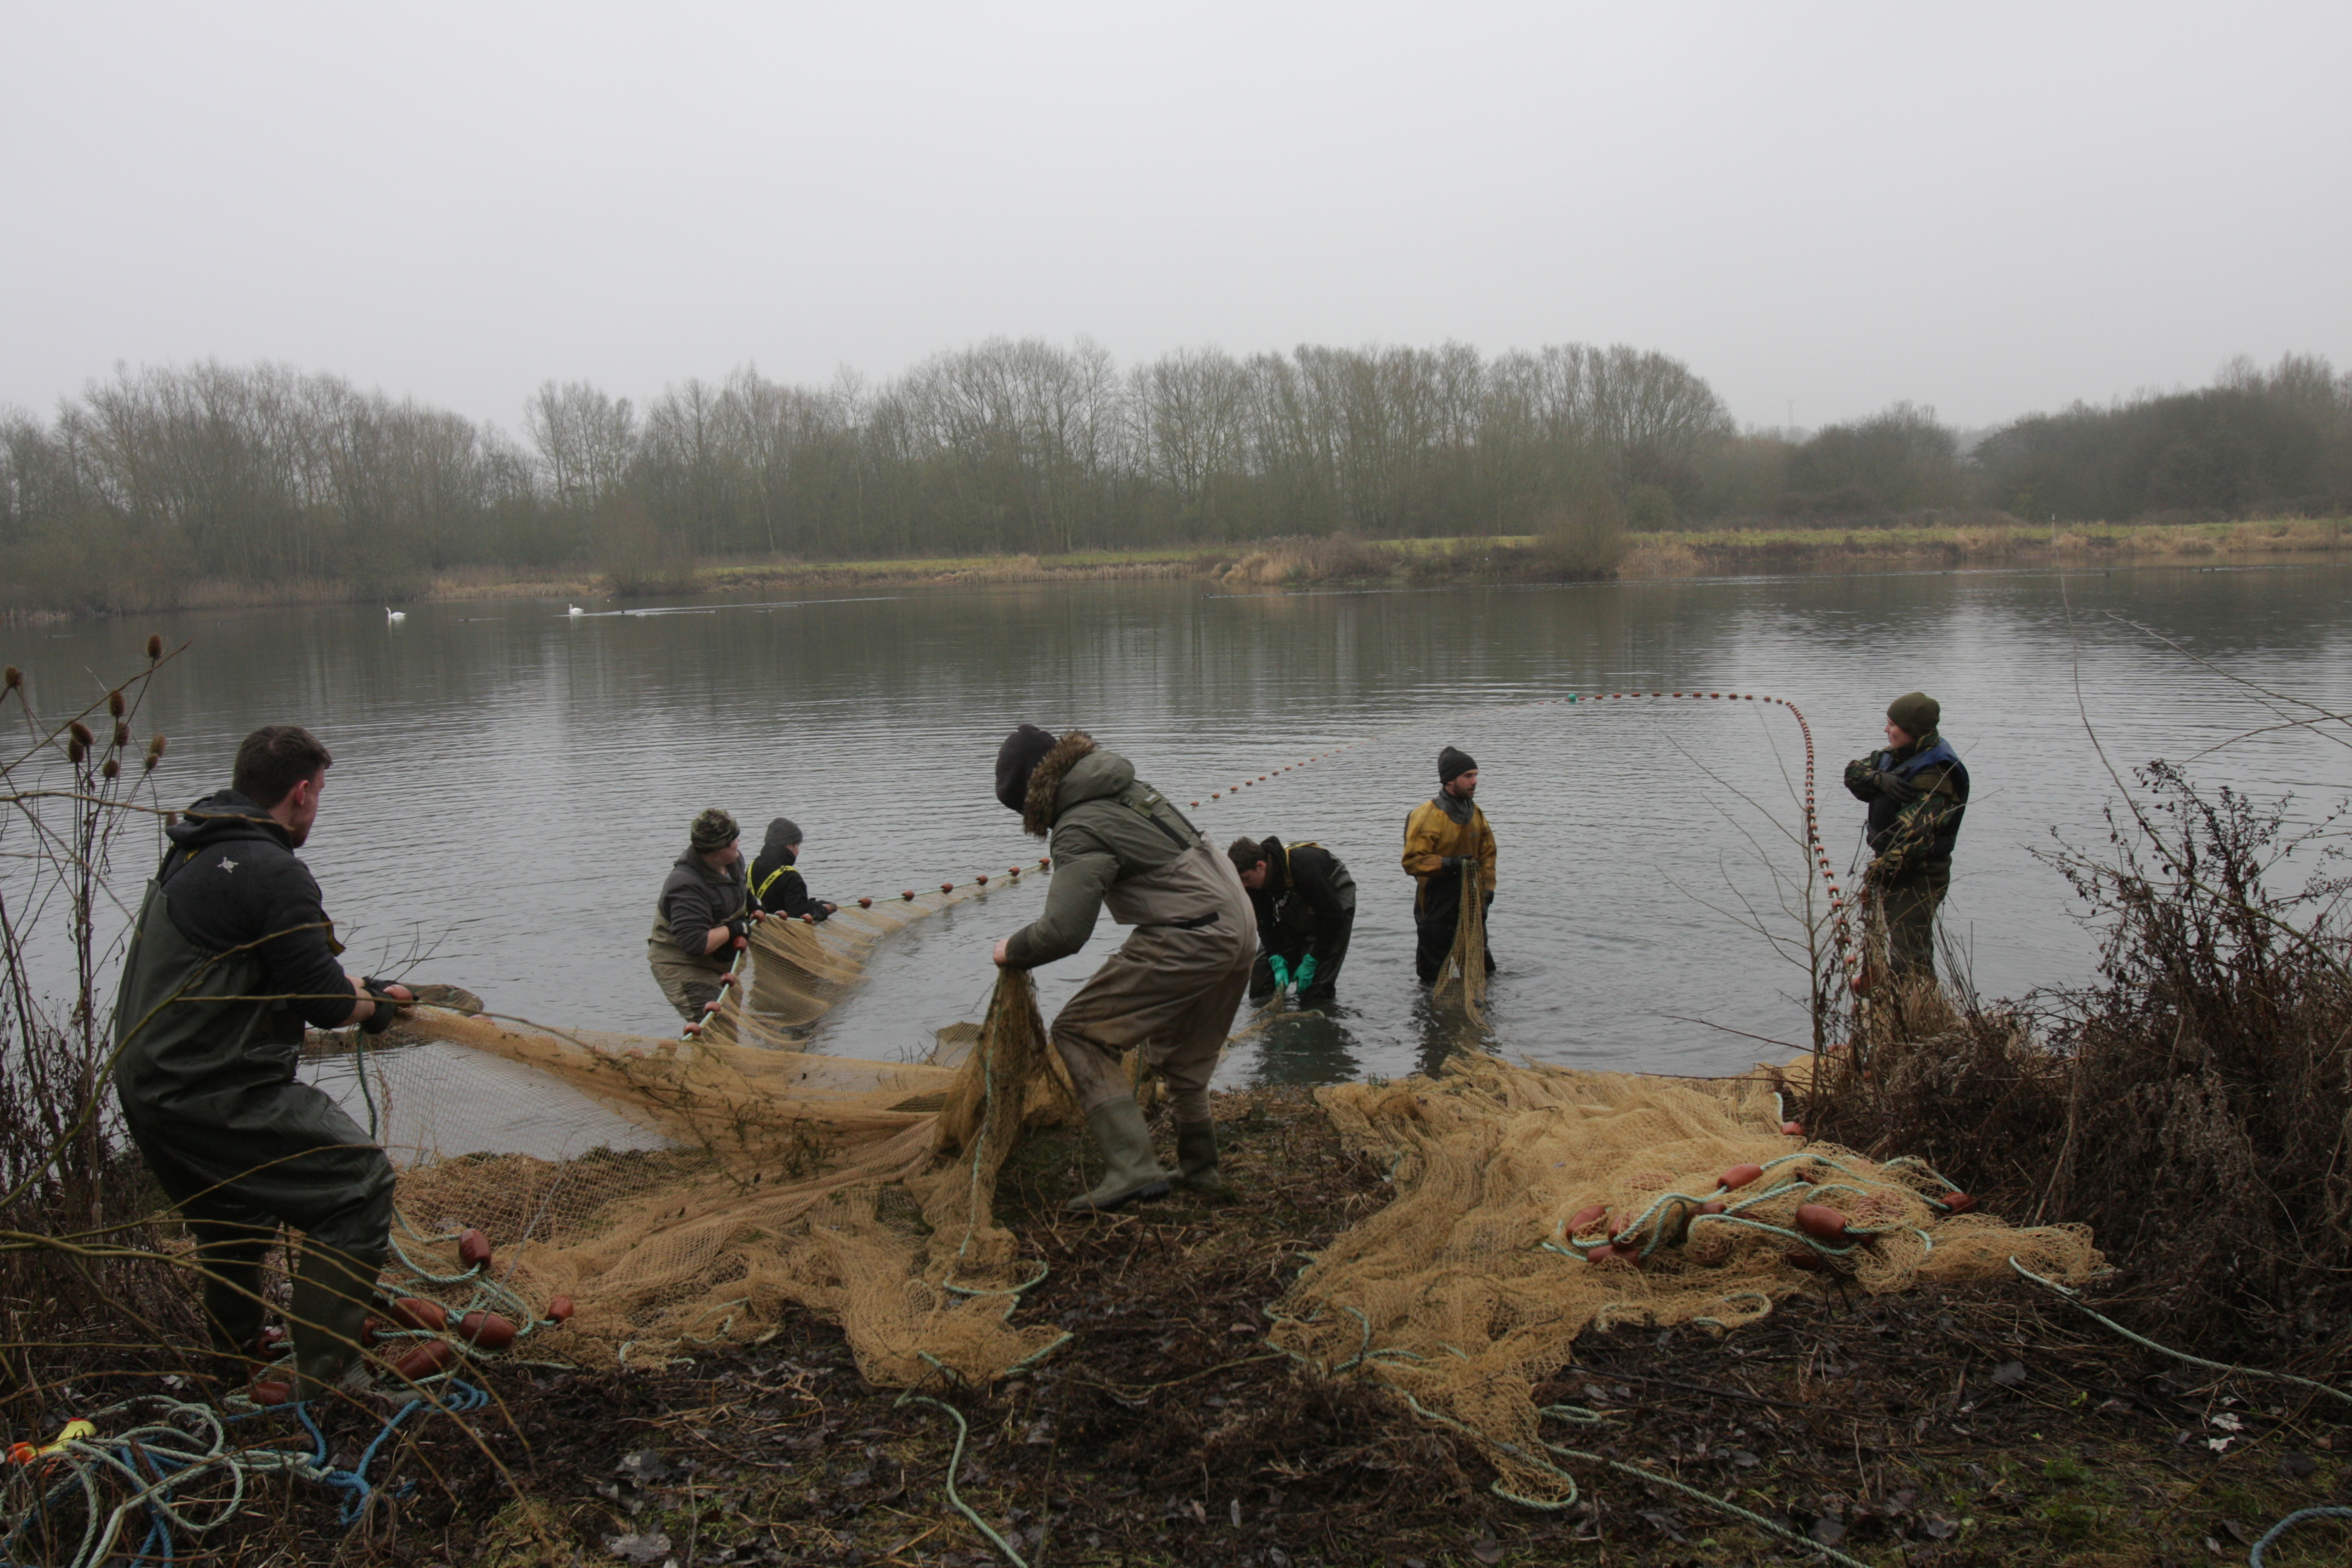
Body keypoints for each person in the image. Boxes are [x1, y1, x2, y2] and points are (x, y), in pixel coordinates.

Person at [111, 724, 414, 1405]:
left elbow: (268, 969)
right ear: (301, 793)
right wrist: (377, 1008)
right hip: (210, 1085)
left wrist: (356, 988)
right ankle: (330, 1380)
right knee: (359, 1184)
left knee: (232, 1215)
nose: (318, 808)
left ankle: (238, 1358)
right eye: (321, 795)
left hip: (149, 1082)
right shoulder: (276, 870)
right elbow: (325, 1004)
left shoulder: (197, 849)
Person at [990, 725, 1253, 1208]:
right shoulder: (1127, 787)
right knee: (1183, 1059)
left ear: (1033, 799)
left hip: (1195, 931)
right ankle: (1201, 1171)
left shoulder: (1076, 825)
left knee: (1080, 1033)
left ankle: (1132, 1169)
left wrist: (1013, 949)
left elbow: (1065, 931)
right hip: (1240, 927)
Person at [1843, 691, 1970, 986]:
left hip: (1917, 875)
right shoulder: (1898, 755)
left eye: (1891, 724)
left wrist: (1876, 873)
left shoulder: (1936, 772)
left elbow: (1915, 840)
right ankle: (1897, 1008)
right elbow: (1853, 771)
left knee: (1909, 956)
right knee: (1899, 948)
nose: (1886, 730)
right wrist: (1878, 780)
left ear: (1911, 730)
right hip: (1892, 868)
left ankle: (1916, 1016)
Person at [648, 807, 753, 1022]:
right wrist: (736, 929)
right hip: (685, 968)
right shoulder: (686, 886)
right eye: (734, 839)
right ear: (717, 849)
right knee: (717, 1024)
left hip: (719, 963)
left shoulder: (732, 860)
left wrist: (755, 904)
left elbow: (740, 888)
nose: (739, 843)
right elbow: (696, 944)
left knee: (731, 1019)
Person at [1403, 746, 1497, 985]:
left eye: (1476, 775)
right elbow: (1412, 861)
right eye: (1468, 776)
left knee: (1484, 970)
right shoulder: (1426, 815)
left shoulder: (1475, 812)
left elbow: (1488, 854)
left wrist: (1488, 890)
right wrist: (1451, 864)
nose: (1475, 781)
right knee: (1432, 978)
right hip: (1436, 903)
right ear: (1449, 780)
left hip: (1471, 902)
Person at [1227, 835, 1356, 1007]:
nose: (1244, 886)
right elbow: (1265, 922)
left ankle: (1319, 1016)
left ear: (1260, 866)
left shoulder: (1304, 869)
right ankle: (1268, 1020)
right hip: (1294, 902)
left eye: (1245, 879)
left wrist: (1312, 959)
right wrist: (1275, 957)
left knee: (1313, 989)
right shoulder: (1252, 882)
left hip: (1333, 903)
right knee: (1262, 976)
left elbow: (1333, 918)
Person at [748, 817, 836, 923]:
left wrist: (815, 905)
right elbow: (800, 915)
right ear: (789, 846)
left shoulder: (752, 867)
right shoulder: (790, 877)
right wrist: (824, 910)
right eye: (797, 846)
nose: (798, 851)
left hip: (756, 930)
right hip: (781, 933)